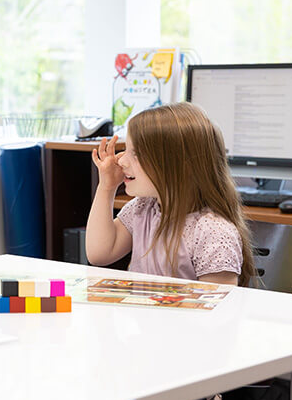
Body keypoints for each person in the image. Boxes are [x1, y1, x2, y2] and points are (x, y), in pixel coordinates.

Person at [85, 102, 255, 286]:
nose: (122, 160)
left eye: (135, 154)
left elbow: (218, 306)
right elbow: (99, 254)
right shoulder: (144, 207)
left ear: (178, 166)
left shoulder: (212, 231)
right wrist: (106, 187)